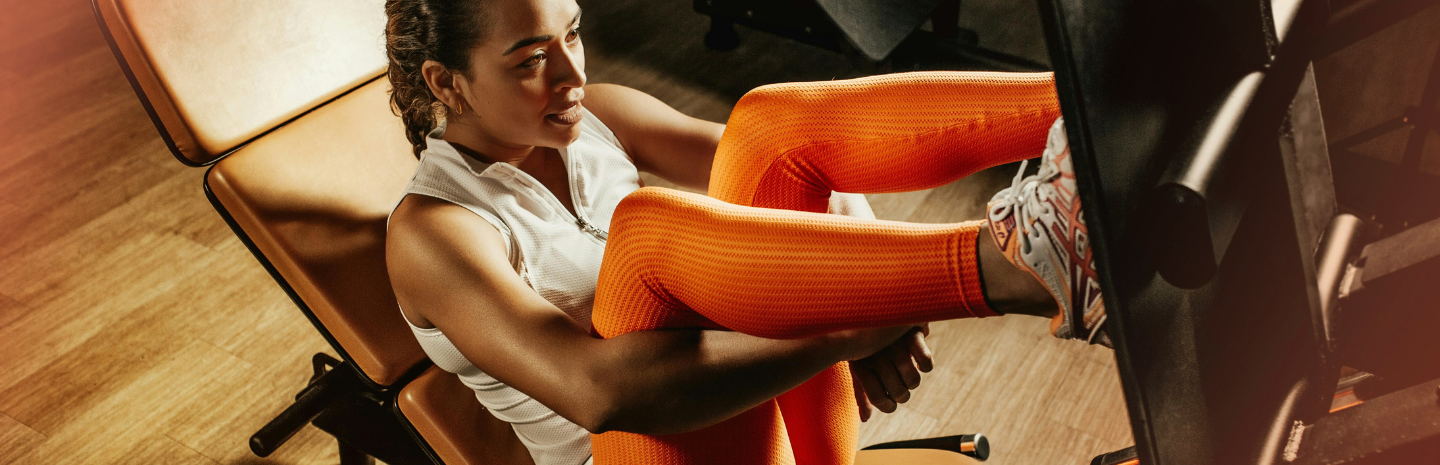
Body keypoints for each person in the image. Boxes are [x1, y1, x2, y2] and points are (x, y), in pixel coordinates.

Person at [382, 0, 1107, 463]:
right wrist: (852, 329)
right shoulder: (434, 232)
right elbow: (596, 391)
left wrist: (864, 298)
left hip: (764, 425)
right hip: (646, 446)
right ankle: (1016, 262)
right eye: (532, 61)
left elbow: (821, 169)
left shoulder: (597, 118)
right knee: (648, 233)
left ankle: (1096, 104)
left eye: (572, 32)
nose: (571, 73)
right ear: (446, 83)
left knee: (766, 127)